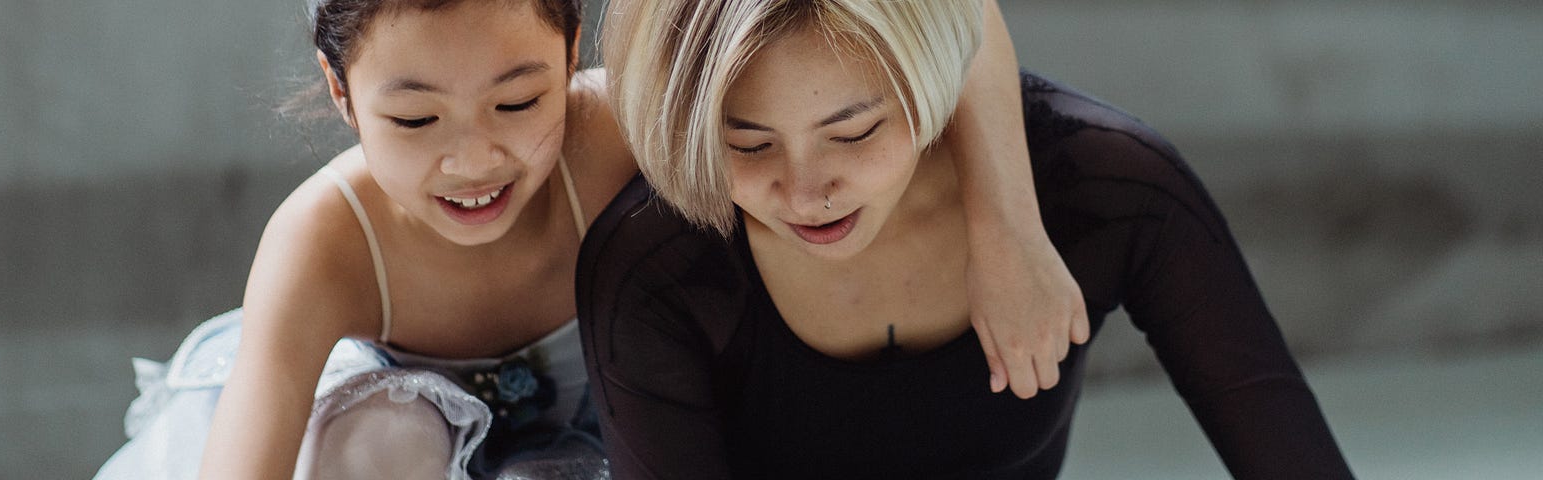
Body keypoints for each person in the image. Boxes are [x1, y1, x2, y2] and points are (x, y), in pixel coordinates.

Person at [95, 0, 1083, 478]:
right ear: (341, 95)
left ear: (575, 55)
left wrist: (1010, 230)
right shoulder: (322, 238)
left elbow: (956, 17)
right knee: (385, 443)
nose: (473, 159)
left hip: (615, 439)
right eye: (415, 120)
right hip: (382, 451)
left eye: (519, 99)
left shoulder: (621, 131)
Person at [578, 0, 1356, 478]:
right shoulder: (655, 270)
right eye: (747, 146)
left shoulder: (1109, 190)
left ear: (930, 81)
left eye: (854, 133)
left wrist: (1010, 224)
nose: (806, 191)